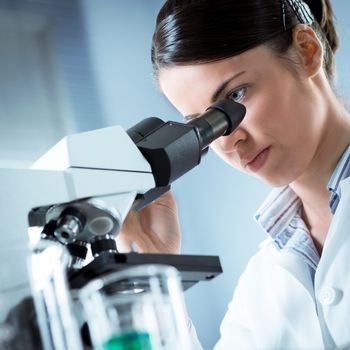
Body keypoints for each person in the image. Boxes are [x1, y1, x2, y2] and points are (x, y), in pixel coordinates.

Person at [118, 0, 350, 348]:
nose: (228, 141)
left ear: (307, 51)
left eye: (235, 95)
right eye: (202, 125)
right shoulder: (263, 282)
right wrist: (153, 277)